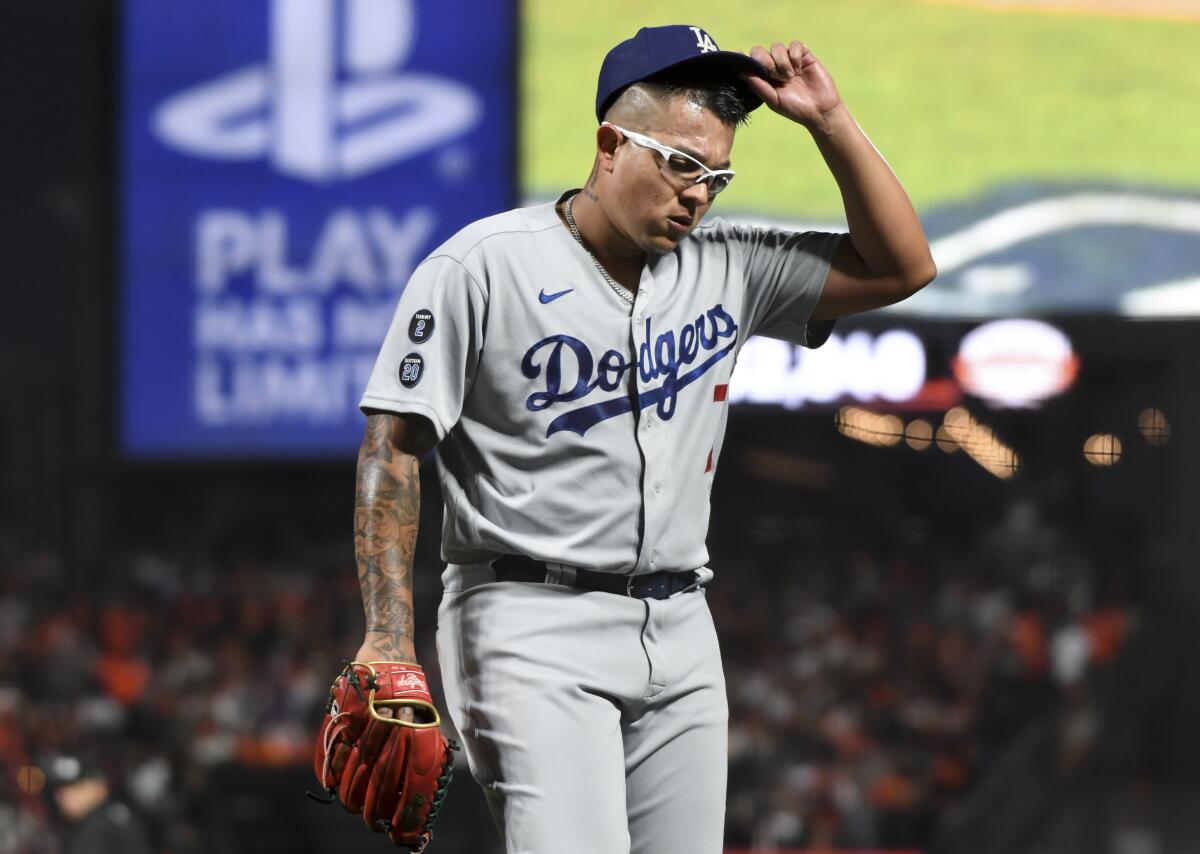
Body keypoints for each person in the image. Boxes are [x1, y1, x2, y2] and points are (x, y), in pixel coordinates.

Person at [348, 24, 935, 854]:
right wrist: (385, 636)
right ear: (608, 145)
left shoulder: (729, 266)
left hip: (682, 623)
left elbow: (902, 267)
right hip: (526, 621)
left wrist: (830, 122)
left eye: (717, 176)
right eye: (681, 164)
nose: (699, 194)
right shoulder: (481, 266)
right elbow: (393, 446)